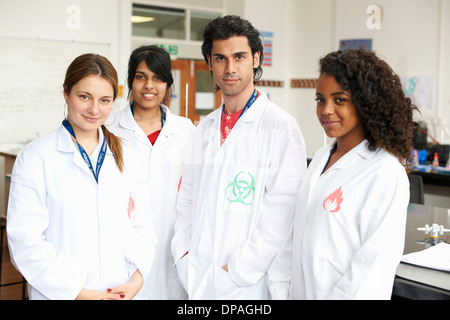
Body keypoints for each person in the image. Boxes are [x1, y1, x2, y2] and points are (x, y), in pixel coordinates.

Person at [171, 15, 307, 300]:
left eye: (239, 57)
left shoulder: (280, 128)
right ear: (209, 62)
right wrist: (184, 254)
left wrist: (235, 271)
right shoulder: (204, 128)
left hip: (247, 285)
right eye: (220, 58)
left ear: (256, 59)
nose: (229, 68)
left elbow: (283, 217)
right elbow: (187, 200)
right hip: (196, 274)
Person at [268, 49, 419, 300]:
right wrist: (280, 291)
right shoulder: (319, 159)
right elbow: (293, 241)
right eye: (320, 99)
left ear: (364, 103)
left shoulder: (384, 172)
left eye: (339, 100)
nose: (326, 110)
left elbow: (372, 269)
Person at [7, 53, 156, 300]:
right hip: (62, 294)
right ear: (66, 94)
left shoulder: (128, 154)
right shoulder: (36, 157)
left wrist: (136, 279)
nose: (94, 109)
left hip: (121, 293)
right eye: (84, 97)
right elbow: (26, 242)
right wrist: (79, 293)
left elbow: (143, 225)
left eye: (105, 100)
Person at [107, 45, 195, 299]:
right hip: (122, 244)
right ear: (130, 81)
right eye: (141, 76)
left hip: (172, 243)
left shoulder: (186, 131)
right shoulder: (109, 127)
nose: (149, 86)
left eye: (158, 78)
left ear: (168, 85)